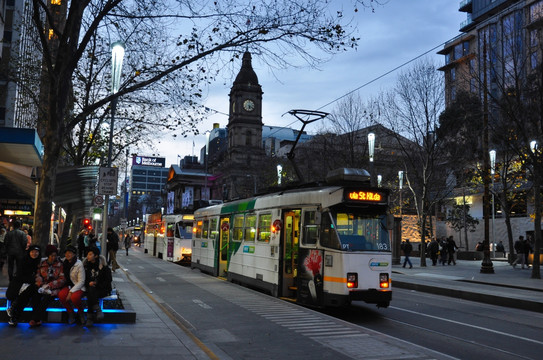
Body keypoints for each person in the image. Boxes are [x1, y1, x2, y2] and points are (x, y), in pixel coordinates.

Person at [5, 245, 41, 326]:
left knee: (30, 295)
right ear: (29, 252)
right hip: (20, 283)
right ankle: (15, 313)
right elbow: (20, 276)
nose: (34, 254)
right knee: (25, 295)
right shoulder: (23, 261)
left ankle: (14, 313)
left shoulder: (39, 262)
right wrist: (34, 280)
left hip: (31, 285)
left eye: (36, 252)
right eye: (32, 252)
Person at [30, 245, 65, 327]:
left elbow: (62, 279)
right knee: (35, 296)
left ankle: (35, 319)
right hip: (42, 286)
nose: (53, 257)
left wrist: (50, 285)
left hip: (54, 288)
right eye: (51, 256)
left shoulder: (60, 265)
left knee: (47, 298)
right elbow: (38, 275)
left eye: (55, 256)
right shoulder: (42, 264)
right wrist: (41, 284)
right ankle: (37, 319)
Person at [83, 246, 112, 326]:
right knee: (91, 291)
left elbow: (108, 280)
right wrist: (88, 283)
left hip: (102, 289)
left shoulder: (103, 267)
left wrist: (96, 283)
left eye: (90, 254)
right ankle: (98, 309)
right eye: (87, 254)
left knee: (91, 293)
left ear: (95, 256)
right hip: (90, 289)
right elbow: (83, 279)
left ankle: (89, 318)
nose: (87, 256)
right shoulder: (86, 267)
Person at [58, 245, 86, 325]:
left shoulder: (79, 264)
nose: (67, 255)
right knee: (61, 295)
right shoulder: (63, 262)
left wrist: (71, 292)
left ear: (74, 254)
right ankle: (70, 312)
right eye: (66, 253)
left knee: (75, 297)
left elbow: (81, 281)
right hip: (68, 285)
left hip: (78, 285)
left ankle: (81, 313)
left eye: (70, 253)